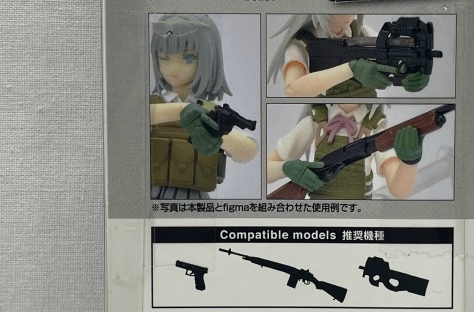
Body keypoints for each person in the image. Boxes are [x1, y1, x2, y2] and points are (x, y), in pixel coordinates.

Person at [149, 14, 257, 200]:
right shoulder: (153, 104)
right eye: (164, 57)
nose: (173, 68)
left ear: (208, 58)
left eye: (188, 58)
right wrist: (181, 111)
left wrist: (216, 134)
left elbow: (248, 151)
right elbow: (134, 120)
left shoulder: (209, 110)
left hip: (196, 198)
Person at [266, 102, 420, 201]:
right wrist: (285, 168)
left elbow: (400, 190)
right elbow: (263, 171)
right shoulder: (315, 122)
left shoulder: (375, 127)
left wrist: (410, 161)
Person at [267, 13, 431, 98]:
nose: (349, 14)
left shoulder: (360, 32)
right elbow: (292, 90)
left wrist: (411, 72)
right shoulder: (302, 43)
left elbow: (388, 54)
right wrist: (351, 69)